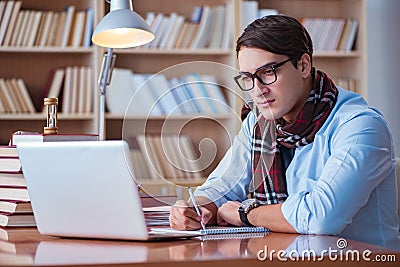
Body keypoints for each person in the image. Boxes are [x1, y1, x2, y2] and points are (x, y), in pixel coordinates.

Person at [169, 15, 400, 250]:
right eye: (247, 78)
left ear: (303, 65)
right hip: (285, 255)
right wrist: (195, 209)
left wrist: (247, 213)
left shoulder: (361, 126)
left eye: (267, 72)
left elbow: (320, 217)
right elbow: (223, 186)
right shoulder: (259, 124)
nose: (257, 90)